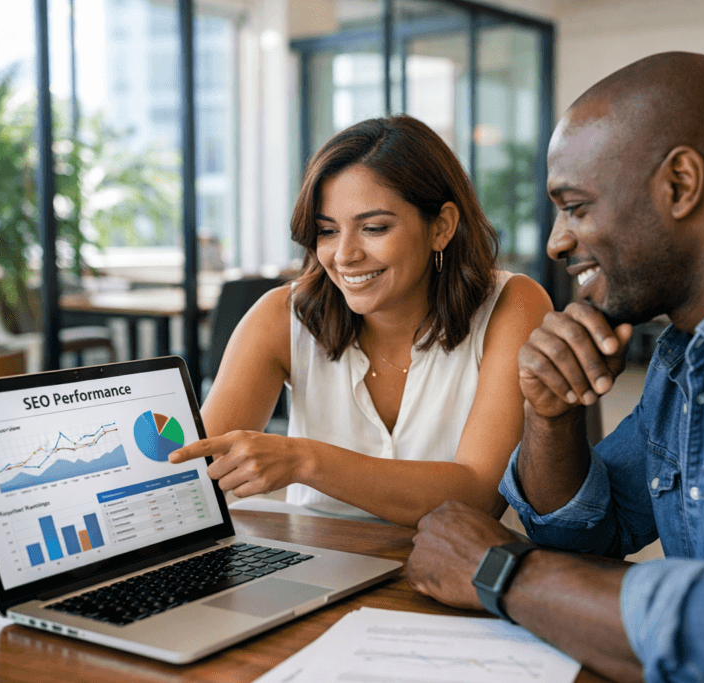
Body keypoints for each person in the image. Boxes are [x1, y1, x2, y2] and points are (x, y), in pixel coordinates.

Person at [406, 52, 704, 682]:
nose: (556, 241)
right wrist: (549, 416)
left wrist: (501, 572)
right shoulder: (687, 352)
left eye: (576, 207)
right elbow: (591, 538)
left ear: (680, 184)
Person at [170, 115, 552, 528]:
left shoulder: (513, 305)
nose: (344, 255)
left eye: (373, 228)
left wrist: (304, 459)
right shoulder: (282, 315)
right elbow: (190, 477)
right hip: (319, 567)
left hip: (452, 573)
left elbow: (477, 496)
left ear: (441, 227)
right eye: (328, 231)